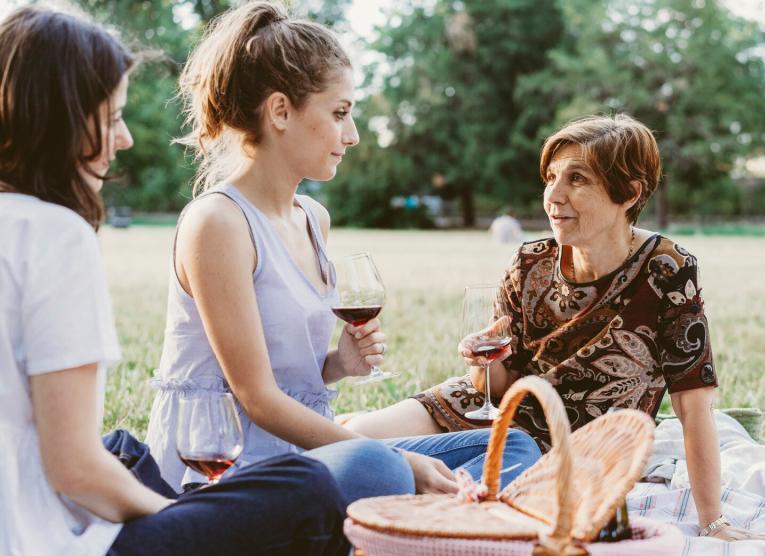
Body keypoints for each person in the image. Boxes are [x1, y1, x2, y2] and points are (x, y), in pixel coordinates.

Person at [0, 6, 353, 556]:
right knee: (311, 497)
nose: (126, 138)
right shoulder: (51, 234)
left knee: (127, 451)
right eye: (109, 117)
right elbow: (74, 469)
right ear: (54, 120)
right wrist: (190, 529)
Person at [143, 1, 541, 495]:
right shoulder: (218, 223)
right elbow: (257, 398)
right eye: (340, 113)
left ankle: (424, 522)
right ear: (280, 111)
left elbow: (288, 367)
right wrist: (379, 456)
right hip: (230, 470)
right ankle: (422, 523)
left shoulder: (312, 218)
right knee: (380, 469)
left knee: (513, 445)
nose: (352, 135)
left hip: (307, 455)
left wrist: (338, 364)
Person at [349, 114, 765, 541]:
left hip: (566, 453)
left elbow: (692, 406)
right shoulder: (529, 261)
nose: (553, 195)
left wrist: (713, 521)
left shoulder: (667, 270)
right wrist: (481, 359)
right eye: (551, 177)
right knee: (346, 445)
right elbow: (496, 386)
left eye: (577, 179)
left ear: (628, 193)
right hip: (489, 414)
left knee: (457, 512)